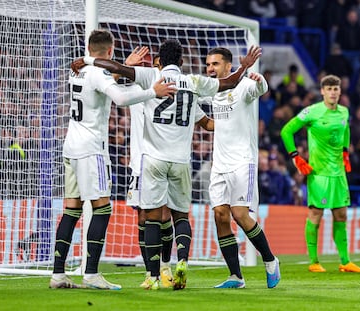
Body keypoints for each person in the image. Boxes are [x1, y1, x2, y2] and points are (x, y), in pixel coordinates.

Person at [73, 39, 262, 290]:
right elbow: (228, 83)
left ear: (159, 61)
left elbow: (116, 69)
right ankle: (181, 261)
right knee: (180, 216)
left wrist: (87, 60)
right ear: (182, 61)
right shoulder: (193, 81)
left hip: (151, 159)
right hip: (181, 161)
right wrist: (244, 67)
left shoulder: (150, 76)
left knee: (150, 217)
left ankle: (153, 275)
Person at [49, 29, 176, 290]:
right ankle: (92, 274)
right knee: (102, 208)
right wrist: (153, 91)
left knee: (71, 210)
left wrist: (124, 68)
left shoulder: (77, 69)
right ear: (110, 50)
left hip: (71, 146)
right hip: (91, 149)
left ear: (89, 47)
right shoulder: (97, 73)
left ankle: (58, 274)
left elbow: (100, 81)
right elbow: (119, 97)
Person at [205, 47, 280, 289]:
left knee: (239, 214)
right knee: (220, 216)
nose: (210, 69)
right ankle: (236, 277)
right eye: (208, 64)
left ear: (228, 66)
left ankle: (270, 260)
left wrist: (259, 79)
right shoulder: (212, 89)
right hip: (219, 164)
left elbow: (261, 89)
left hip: (242, 161)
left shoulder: (244, 85)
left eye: (215, 64)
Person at [280, 74, 360, 273]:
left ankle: (345, 262)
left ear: (340, 91)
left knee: (341, 215)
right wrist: (296, 157)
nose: (332, 92)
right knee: (315, 214)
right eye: (329, 89)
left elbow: (346, 131)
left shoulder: (344, 112)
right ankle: (314, 261)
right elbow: (286, 131)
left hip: (338, 174)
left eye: (336, 89)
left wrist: (345, 151)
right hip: (319, 174)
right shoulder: (311, 112)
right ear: (322, 91)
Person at [125, 54, 174, 288]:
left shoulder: (173, 89)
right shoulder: (137, 87)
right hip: (140, 162)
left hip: (164, 160)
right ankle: (149, 271)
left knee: (164, 215)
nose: (155, 69)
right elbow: (113, 83)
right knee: (143, 217)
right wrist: (127, 66)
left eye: (157, 64)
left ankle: (165, 266)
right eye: (151, 65)